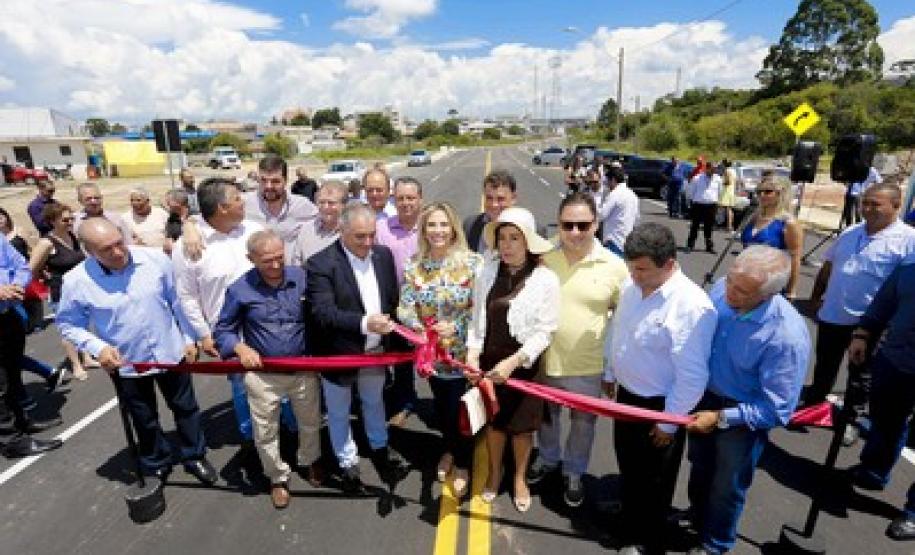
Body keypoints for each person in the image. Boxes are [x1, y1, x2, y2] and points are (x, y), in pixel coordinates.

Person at [56, 218, 216, 483]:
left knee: (185, 408)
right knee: (144, 418)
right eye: (107, 249)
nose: (118, 252)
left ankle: (194, 456)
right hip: (128, 363)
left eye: (119, 243)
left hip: (170, 352)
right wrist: (99, 347)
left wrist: (189, 337)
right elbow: (68, 324)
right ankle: (156, 462)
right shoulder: (77, 281)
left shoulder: (155, 260)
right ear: (89, 251)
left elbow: (177, 301)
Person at [686, 245, 810, 555]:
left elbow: (778, 408)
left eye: (742, 291)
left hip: (740, 415)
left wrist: (721, 418)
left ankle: (716, 543)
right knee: (699, 467)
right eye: (729, 281)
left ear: (768, 294)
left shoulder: (785, 337)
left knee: (727, 485)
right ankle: (697, 517)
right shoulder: (724, 289)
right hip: (704, 396)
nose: (729, 293)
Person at [603, 222, 717, 554]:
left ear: (668, 264)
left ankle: (644, 541)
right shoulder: (633, 286)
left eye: (641, 269)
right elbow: (618, 330)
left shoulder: (691, 306)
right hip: (628, 398)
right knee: (629, 466)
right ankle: (628, 518)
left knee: (655, 480)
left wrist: (668, 422)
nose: (634, 275)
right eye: (631, 267)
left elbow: (692, 376)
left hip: (660, 407)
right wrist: (611, 371)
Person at [172, 177, 286, 469]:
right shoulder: (189, 247)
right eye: (237, 198)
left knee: (283, 385)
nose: (244, 201)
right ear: (222, 208)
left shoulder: (254, 230)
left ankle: (289, 436)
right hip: (231, 333)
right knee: (243, 390)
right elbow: (186, 296)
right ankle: (252, 443)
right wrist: (203, 334)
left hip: (270, 325)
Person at [527, 193, 628, 508]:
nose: (574, 233)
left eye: (582, 225)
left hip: (588, 367)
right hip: (545, 363)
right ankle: (548, 458)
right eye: (566, 225)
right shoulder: (542, 259)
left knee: (583, 426)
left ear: (596, 224)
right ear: (557, 225)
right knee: (546, 420)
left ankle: (574, 471)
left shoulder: (615, 267)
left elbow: (624, 321)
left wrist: (612, 370)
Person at [213, 230, 323, 509]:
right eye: (267, 261)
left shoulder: (302, 277)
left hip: (302, 370)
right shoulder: (239, 289)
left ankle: (310, 460)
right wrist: (239, 348)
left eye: (279, 258)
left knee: (309, 421)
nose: (275, 266)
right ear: (251, 259)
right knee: (265, 431)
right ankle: (277, 477)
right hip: (263, 375)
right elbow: (223, 330)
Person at [306, 203, 407, 493]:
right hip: (339, 354)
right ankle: (346, 460)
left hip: (376, 352)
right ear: (342, 231)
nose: (368, 243)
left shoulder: (383, 255)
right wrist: (365, 323)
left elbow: (391, 299)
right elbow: (323, 313)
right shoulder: (320, 264)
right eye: (359, 237)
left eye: (372, 235)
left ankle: (379, 446)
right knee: (338, 411)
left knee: (374, 402)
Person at [805, 184, 915, 444]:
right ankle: (814, 407)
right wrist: (815, 296)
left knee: (861, 376)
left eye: (875, 204)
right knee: (825, 365)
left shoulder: (909, 240)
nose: (867, 209)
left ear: (896, 206)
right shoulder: (851, 232)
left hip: (871, 324)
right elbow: (829, 265)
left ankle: (850, 421)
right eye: (865, 202)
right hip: (834, 314)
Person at [467, 207, 560, 513]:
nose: (506, 245)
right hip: (490, 364)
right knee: (494, 424)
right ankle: (495, 474)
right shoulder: (487, 272)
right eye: (502, 238)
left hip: (524, 367)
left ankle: (519, 478)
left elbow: (545, 331)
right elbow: (478, 320)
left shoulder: (546, 279)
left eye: (514, 238)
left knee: (521, 429)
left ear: (528, 243)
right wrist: (472, 355)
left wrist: (512, 363)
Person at [397, 202, 482, 497]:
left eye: (444, 224)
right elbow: (404, 308)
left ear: (454, 228)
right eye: (432, 225)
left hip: (462, 356)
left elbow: (481, 310)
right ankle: (448, 449)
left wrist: (456, 327)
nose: (438, 231)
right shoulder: (413, 266)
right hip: (432, 359)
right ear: (423, 230)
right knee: (442, 411)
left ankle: (463, 464)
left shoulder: (473, 264)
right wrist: (418, 327)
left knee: (461, 412)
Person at [846, 260, 915, 541]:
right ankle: (874, 471)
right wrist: (862, 334)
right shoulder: (909, 270)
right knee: (886, 419)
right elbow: (882, 304)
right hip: (896, 360)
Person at [181, 155, 317, 264]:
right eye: (263, 181)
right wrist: (189, 228)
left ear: (285, 180)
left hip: (290, 278)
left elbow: (329, 221)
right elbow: (206, 215)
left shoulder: (302, 206)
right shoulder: (242, 203)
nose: (268, 186)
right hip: (253, 282)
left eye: (275, 181)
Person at [0, 234, 64, 458]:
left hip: (8, 314)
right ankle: (12, 441)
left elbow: (21, 265)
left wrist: (16, 285)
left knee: (12, 375)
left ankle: (21, 423)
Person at [376, 177, 422, 427]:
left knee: (424, 357)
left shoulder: (430, 227)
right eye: (400, 198)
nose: (405, 203)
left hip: (423, 306)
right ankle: (398, 400)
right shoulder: (382, 228)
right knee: (391, 354)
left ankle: (422, 402)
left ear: (420, 200)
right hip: (390, 303)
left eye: (410, 198)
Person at [29, 202, 89, 381]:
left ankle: (87, 358)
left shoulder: (72, 236)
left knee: (83, 325)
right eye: (65, 219)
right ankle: (76, 365)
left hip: (80, 289)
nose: (70, 221)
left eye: (71, 218)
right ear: (52, 221)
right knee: (68, 329)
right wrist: (45, 277)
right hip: (60, 290)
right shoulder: (47, 243)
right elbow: (31, 268)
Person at [739, 173, 804, 298]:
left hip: (770, 285)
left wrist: (791, 291)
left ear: (781, 194)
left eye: (768, 191)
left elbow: (795, 259)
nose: (762, 195)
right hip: (745, 279)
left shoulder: (788, 223)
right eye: (759, 192)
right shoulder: (753, 218)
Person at [291, 180, 347, 266]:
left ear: (344, 205)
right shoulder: (306, 230)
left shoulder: (351, 232)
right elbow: (297, 265)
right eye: (321, 202)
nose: (325, 207)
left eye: (331, 203)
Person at [463, 170, 518, 254]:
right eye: (489, 198)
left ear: (513, 198)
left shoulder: (532, 229)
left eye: (500, 199)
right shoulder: (470, 225)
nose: (494, 205)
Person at [597, 164, 639, 256]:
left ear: (613, 180)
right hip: (627, 240)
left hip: (613, 239)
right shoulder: (633, 195)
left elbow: (601, 215)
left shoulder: (615, 194)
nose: (607, 184)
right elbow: (636, 219)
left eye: (608, 181)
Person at [684, 163, 722, 254]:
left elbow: (720, 191)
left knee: (709, 226)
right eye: (712, 170)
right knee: (695, 225)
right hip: (698, 205)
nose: (713, 172)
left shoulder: (718, 179)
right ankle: (690, 245)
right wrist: (690, 201)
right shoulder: (697, 178)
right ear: (707, 169)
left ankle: (709, 247)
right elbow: (691, 191)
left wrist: (717, 201)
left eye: (714, 170)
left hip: (711, 205)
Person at [163, 188, 191, 256]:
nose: (167, 206)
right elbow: (170, 237)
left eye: (169, 202)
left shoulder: (194, 218)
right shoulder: (172, 218)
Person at [719, 160, 737, 233]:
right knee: (730, 209)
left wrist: (722, 181)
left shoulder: (727, 171)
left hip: (727, 191)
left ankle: (728, 227)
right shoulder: (734, 171)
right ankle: (730, 226)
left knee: (728, 210)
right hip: (732, 191)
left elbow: (728, 181)